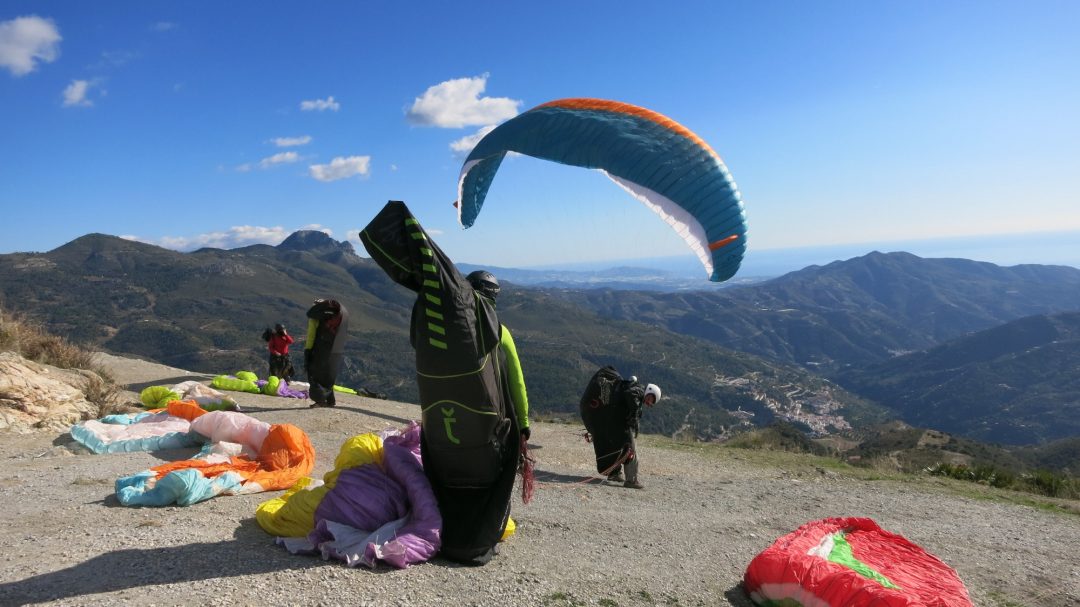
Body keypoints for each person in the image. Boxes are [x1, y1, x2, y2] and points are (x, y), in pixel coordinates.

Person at [466, 270, 531, 442]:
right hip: (492, 420)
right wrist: (523, 422)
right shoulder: (501, 332)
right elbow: (517, 381)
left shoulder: (453, 330)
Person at [579, 366, 661, 489]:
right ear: (649, 391)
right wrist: (634, 413)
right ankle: (631, 480)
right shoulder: (638, 390)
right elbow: (630, 394)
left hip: (612, 421)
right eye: (650, 399)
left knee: (614, 445)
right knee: (630, 448)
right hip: (616, 423)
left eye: (651, 403)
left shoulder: (635, 392)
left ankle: (614, 474)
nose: (649, 402)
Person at [303, 298, 348, 408]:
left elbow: (311, 335)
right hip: (333, 349)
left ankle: (320, 400)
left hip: (318, 348)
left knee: (315, 374)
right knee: (328, 374)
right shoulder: (334, 317)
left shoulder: (315, 317)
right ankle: (330, 400)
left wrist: (308, 350)